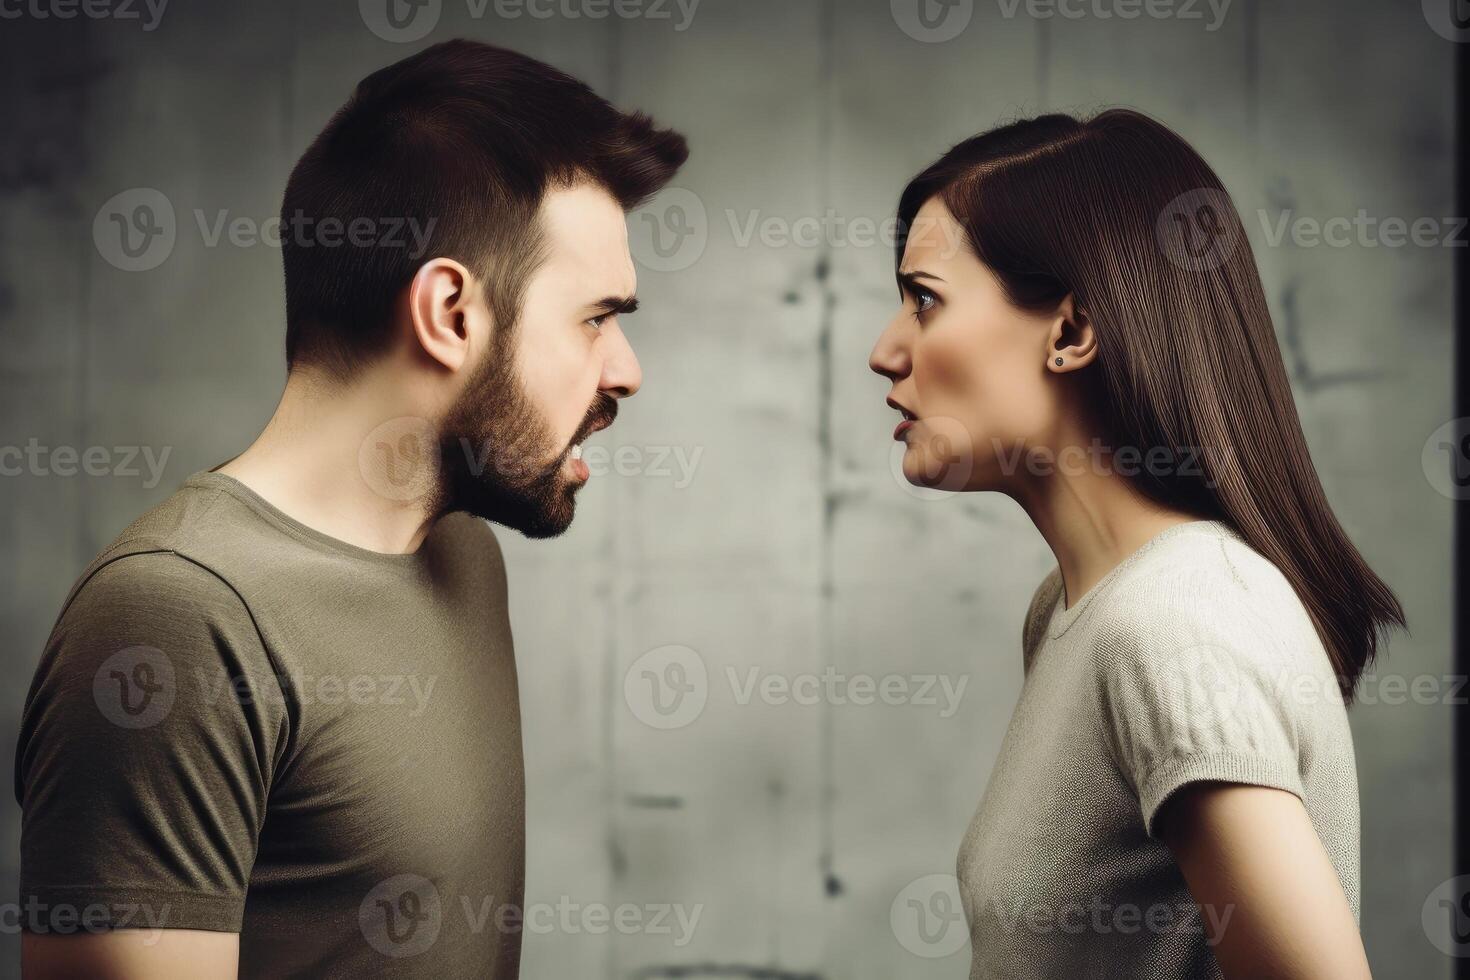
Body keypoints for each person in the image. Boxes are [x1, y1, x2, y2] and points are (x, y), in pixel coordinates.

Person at [16, 39, 686, 978]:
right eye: (595, 318)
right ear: (451, 313)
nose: (626, 371)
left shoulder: (460, 555)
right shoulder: (177, 620)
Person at [868, 109, 1402, 979]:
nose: (885, 351)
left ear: (1072, 332)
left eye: (924, 299)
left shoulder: (1173, 624)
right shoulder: (1081, 610)